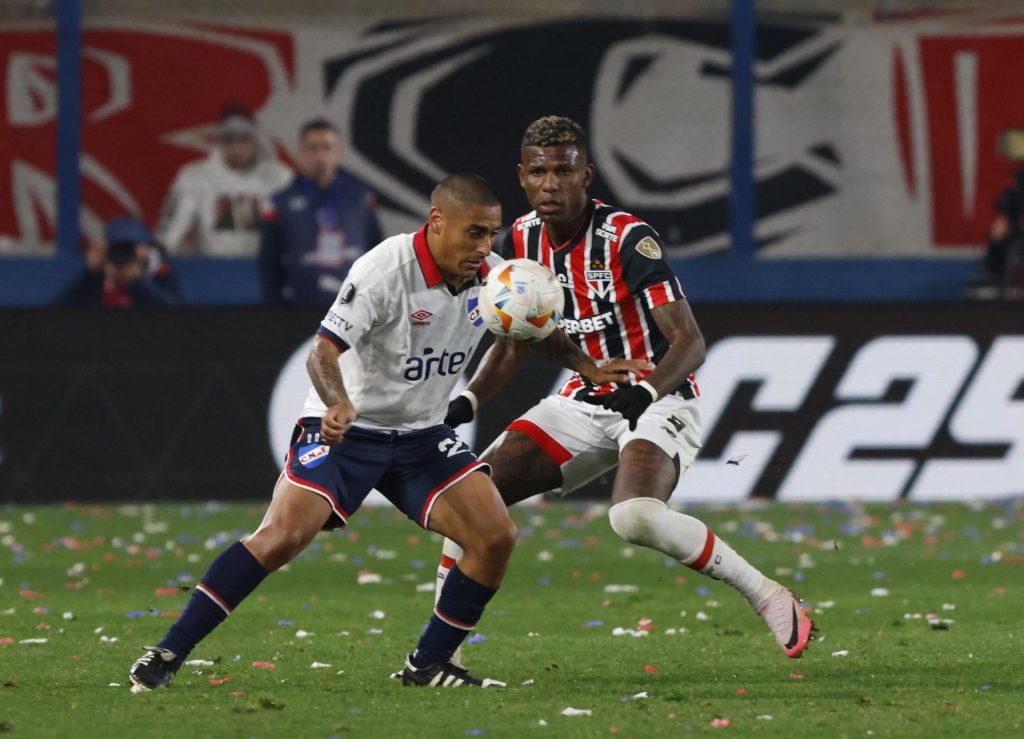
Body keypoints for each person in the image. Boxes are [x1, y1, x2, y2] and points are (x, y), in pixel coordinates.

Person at [128, 173, 649, 692]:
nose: (485, 247)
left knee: (494, 537)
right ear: (437, 222)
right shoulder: (385, 269)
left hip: (421, 436)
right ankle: (169, 649)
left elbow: (535, 329)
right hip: (348, 432)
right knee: (282, 537)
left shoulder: (493, 276)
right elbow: (323, 351)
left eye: (491, 233)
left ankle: (428, 665)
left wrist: (586, 364)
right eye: (474, 233)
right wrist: (337, 405)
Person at [437, 116, 814, 668]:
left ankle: (769, 595)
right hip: (581, 401)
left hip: (660, 397)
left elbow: (688, 340)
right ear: (521, 177)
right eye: (538, 172)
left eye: (563, 171)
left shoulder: (627, 237)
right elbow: (517, 340)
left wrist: (644, 393)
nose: (551, 184)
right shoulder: (518, 240)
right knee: (468, 501)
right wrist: (467, 401)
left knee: (633, 516)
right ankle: (442, 655)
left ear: (585, 174)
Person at [259, 118, 383, 306]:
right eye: (312, 148)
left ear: (338, 152)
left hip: (355, 306)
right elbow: (269, 262)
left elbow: (377, 253)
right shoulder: (279, 202)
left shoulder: (362, 197)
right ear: (300, 153)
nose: (320, 155)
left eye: (327, 148)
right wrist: (275, 308)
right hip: (299, 306)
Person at [156, 103, 292, 257]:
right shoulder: (195, 177)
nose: (236, 149)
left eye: (243, 140)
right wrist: (159, 255)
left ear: (255, 141)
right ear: (219, 141)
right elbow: (170, 232)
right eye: (229, 140)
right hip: (212, 272)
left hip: (264, 272)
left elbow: (296, 230)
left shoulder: (280, 178)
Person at [56, 216, 180, 307]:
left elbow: (179, 316)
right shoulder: (96, 278)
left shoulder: (159, 273)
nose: (124, 256)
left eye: (130, 249)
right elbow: (57, 317)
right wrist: (91, 275)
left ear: (146, 249)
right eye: (117, 248)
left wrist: (138, 281)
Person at [965, 169, 1024, 299]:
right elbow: (1003, 223)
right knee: (998, 234)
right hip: (1015, 238)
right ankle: (995, 275)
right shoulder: (1012, 195)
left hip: (1017, 240)